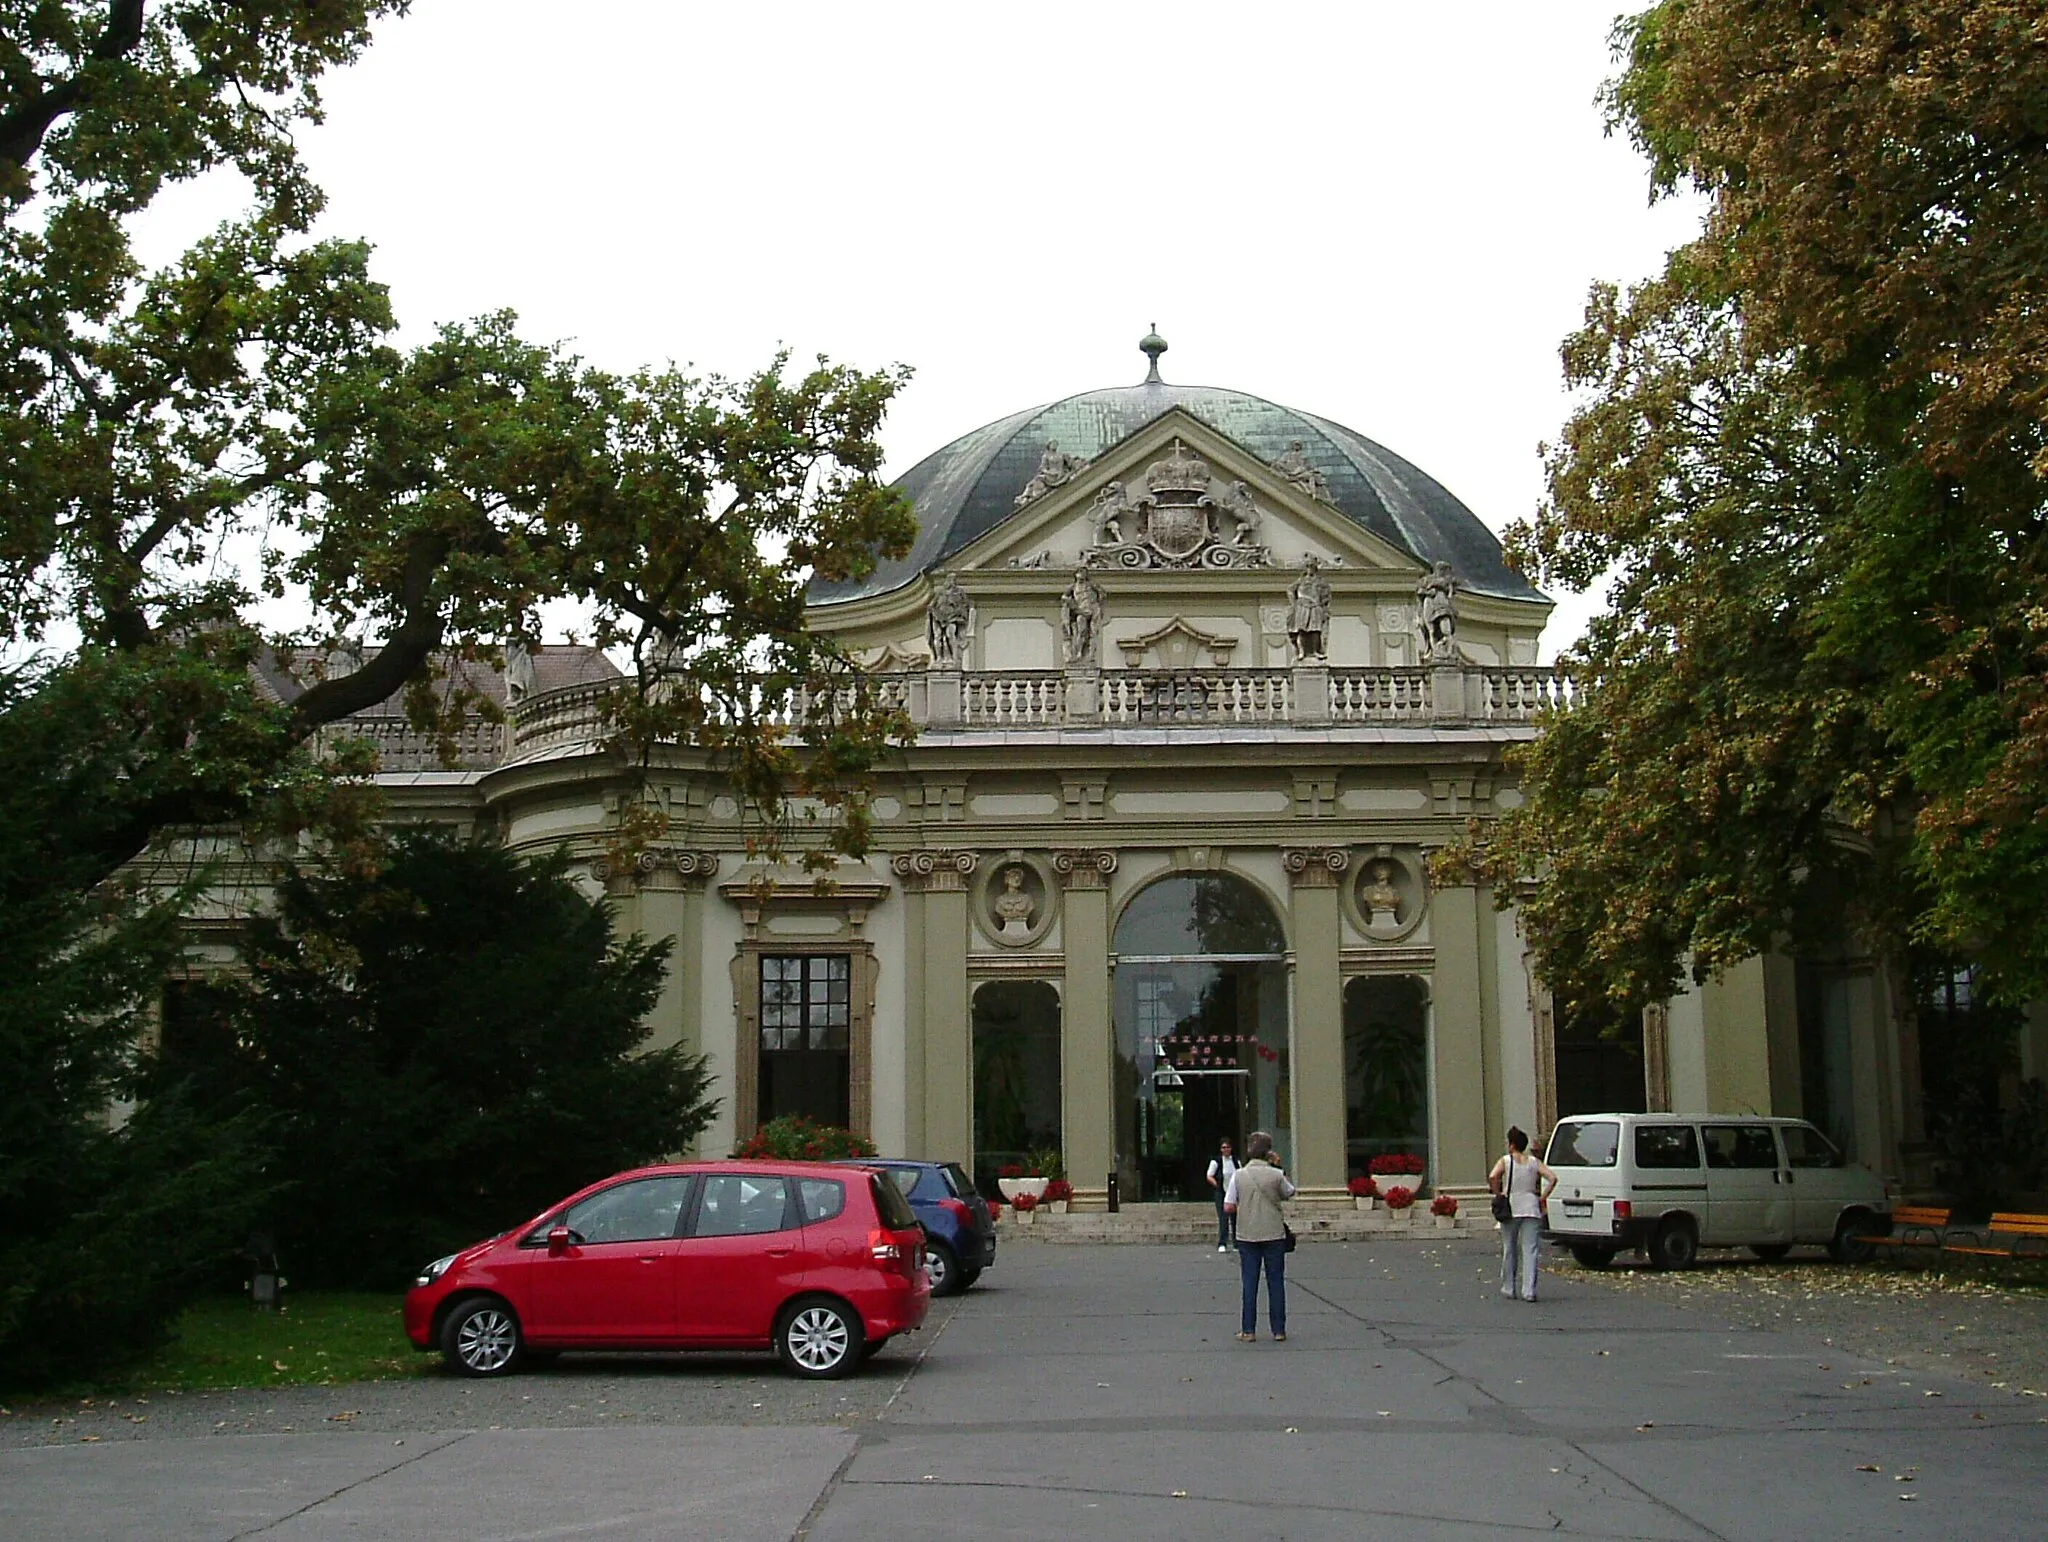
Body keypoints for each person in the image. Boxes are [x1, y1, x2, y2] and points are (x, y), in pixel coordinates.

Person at [1223, 1130, 1295, 1341]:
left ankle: (1248, 1330)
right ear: (1269, 1151)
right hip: (1273, 1232)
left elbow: (1228, 1206)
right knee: (1276, 1281)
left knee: (1249, 1282)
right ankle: (1279, 1330)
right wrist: (1278, 1165)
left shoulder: (1239, 1175)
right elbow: (1289, 1192)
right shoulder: (1276, 1174)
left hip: (1247, 1233)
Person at [1488, 1126, 1557, 1303]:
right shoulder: (1534, 1162)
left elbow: (1493, 1176)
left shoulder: (1506, 1160)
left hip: (1511, 1207)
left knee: (1509, 1248)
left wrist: (1499, 1193)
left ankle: (1509, 1287)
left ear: (1511, 1144)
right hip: (1531, 1207)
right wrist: (1542, 1197)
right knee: (1530, 1250)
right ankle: (1529, 1290)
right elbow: (1552, 1178)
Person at [1205, 1138, 1239, 1253]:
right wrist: (1217, 1185)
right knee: (1223, 1218)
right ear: (1220, 1149)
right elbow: (1209, 1176)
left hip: (1234, 1193)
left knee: (1235, 1218)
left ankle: (1236, 1242)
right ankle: (1222, 1242)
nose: (1226, 1150)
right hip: (1222, 1192)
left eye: (1228, 1147)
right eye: (1224, 1147)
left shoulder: (1235, 1161)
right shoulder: (1216, 1161)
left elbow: (1240, 1173)